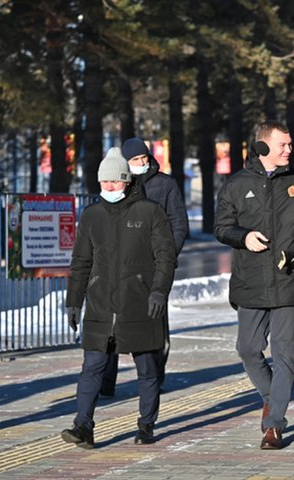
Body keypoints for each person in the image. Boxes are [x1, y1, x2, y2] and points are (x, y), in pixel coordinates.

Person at [213, 120, 294, 450]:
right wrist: (243, 237)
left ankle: (274, 424)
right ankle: (271, 396)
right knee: (248, 349)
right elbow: (221, 227)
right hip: (250, 281)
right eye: (283, 145)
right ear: (263, 147)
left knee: (284, 354)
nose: (289, 150)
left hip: (290, 282)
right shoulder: (237, 184)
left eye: (290, 144)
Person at [61, 147, 177, 448]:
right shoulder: (92, 215)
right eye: (104, 182)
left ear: (126, 181)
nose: (109, 187)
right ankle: (83, 425)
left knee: (148, 369)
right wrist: (73, 302)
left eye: (115, 181)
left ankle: (146, 425)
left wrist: (158, 291)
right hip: (101, 304)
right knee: (92, 367)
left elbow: (166, 258)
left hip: (140, 303)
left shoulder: (150, 212)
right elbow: (81, 262)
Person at [98, 137, 189, 397]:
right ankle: (106, 381)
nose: (142, 162)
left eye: (144, 158)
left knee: (154, 323)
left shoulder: (165, 184)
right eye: (136, 159)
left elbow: (179, 224)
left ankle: (154, 379)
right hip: (120, 267)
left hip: (154, 268)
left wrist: (166, 257)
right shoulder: (118, 183)